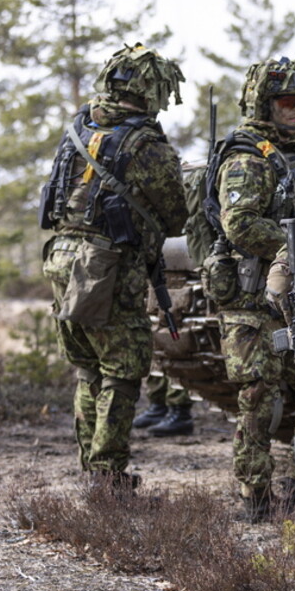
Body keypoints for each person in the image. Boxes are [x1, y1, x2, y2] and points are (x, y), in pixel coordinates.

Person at [203, 57, 295, 523]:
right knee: (258, 399)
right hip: (251, 300)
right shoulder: (248, 157)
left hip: (294, 296)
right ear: (264, 103)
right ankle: (256, 493)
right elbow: (240, 225)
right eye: (287, 100)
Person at [40, 43, 187, 488]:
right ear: (154, 91)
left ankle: (93, 469)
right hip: (108, 266)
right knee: (123, 370)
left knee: (88, 368)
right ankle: (107, 477)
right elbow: (176, 215)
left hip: (61, 258)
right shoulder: (146, 145)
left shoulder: (78, 130)